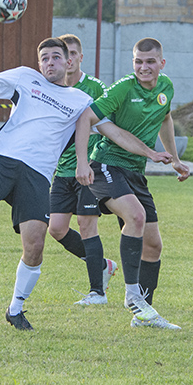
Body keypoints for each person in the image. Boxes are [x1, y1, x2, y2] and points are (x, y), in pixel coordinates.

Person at [0, 37, 168, 331]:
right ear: (38, 63)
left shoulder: (81, 101)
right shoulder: (23, 78)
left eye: (56, 57)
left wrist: (150, 152)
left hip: (38, 175)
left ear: (69, 62)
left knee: (35, 245)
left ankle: (15, 309)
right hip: (4, 158)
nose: (49, 63)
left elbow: (115, 133)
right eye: (44, 58)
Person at [75, 37, 190, 330]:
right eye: (138, 61)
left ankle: (144, 314)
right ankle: (132, 297)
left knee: (153, 246)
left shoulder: (166, 88)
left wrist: (175, 159)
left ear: (161, 64)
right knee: (135, 216)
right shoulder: (124, 88)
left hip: (136, 172)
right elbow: (86, 118)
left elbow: (165, 119)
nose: (144, 67)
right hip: (106, 164)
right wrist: (82, 162)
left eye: (150, 62)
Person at [48, 34, 123, 305]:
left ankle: (97, 293)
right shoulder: (52, 86)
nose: (67, 59)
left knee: (87, 224)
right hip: (62, 171)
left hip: (89, 168)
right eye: (62, 54)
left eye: (72, 54)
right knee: (56, 229)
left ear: (80, 57)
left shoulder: (95, 87)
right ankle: (102, 265)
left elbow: (109, 123)